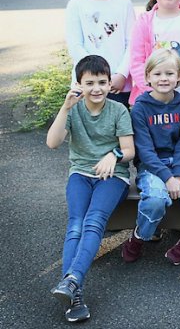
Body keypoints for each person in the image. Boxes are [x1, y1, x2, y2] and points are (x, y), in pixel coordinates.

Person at [47, 55, 135, 323]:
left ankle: (71, 280)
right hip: (80, 175)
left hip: (113, 178)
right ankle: (74, 292)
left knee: (94, 221)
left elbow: (130, 150)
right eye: (89, 83)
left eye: (102, 82)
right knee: (75, 224)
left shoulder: (118, 110)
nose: (96, 88)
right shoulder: (73, 109)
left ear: (110, 84)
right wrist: (65, 107)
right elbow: (53, 143)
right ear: (78, 84)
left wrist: (113, 155)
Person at [121, 49, 180, 265]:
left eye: (170, 74)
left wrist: (178, 176)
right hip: (152, 166)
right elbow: (144, 150)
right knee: (156, 199)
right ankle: (138, 237)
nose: (164, 78)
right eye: (158, 74)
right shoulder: (140, 108)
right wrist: (167, 178)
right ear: (148, 77)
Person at [65, 0, 135, 106]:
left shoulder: (124, 3)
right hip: (86, 84)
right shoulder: (76, 4)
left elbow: (132, 43)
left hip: (117, 85)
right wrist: (94, 78)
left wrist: (122, 74)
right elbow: (75, 45)